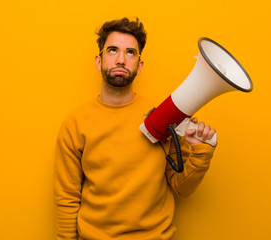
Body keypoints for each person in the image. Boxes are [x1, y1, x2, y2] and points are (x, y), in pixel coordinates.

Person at [54, 17, 216, 240]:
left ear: (139, 66)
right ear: (98, 61)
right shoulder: (75, 122)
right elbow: (66, 197)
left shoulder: (162, 117)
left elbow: (182, 190)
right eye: (112, 50)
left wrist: (201, 153)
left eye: (130, 52)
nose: (121, 59)